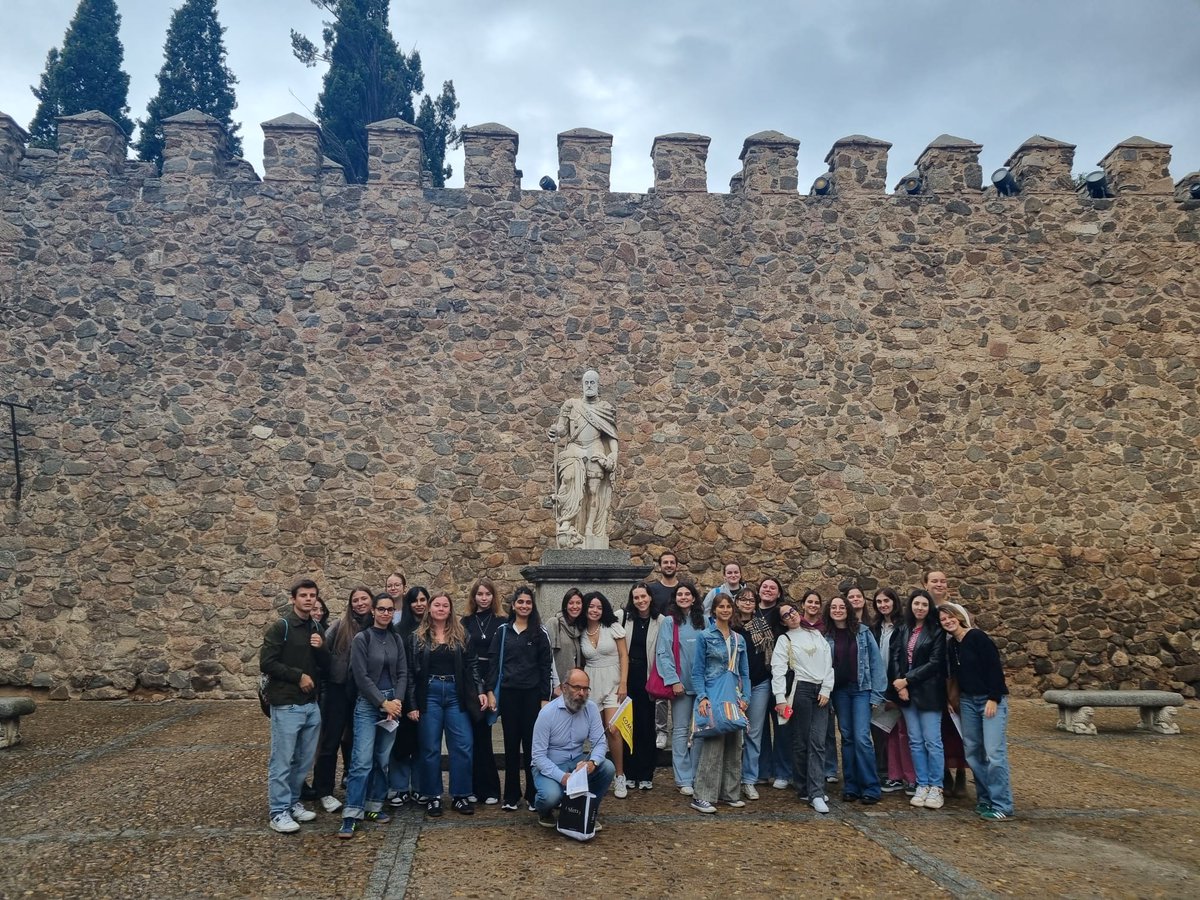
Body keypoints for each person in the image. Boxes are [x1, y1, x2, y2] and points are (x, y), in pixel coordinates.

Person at [407, 591, 487, 818]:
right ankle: (432, 796)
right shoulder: (417, 637)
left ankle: (461, 795)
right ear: (430, 609)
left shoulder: (462, 634)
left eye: (445, 605)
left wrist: (480, 691)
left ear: (450, 610)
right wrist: (412, 704)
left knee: (463, 744)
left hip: (456, 694)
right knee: (430, 747)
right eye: (437, 605)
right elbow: (412, 674)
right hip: (429, 693)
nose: (441, 609)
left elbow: (472, 666)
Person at [260, 579, 329, 834]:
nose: (309, 599)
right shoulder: (282, 627)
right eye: (303, 595)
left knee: (303, 760)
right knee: (282, 760)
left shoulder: (316, 627)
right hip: (287, 704)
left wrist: (322, 648)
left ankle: (291, 802)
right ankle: (277, 812)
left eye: (312, 595)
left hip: (311, 705)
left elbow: (326, 664)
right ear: (293, 599)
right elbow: (266, 663)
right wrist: (297, 675)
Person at [337, 593, 408, 838]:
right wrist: (383, 702)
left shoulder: (396, 639)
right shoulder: (362, 639)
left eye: (389, 610)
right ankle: (352, 813)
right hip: (369, 705)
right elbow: (361, 677)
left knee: (382, 758)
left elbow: (402, 672)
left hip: (392, 704)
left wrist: (396, 701)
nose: (386, 613)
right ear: (374, 612)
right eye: (381, 609)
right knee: (362, 760)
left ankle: (374, 805)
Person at [940, 602, 1014, 821]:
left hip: (988, 700)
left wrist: (993, 697)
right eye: (943, 620)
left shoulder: (978, 637)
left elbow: (994, 668)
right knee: (973, 751)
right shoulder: (952, 645)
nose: (947, 621)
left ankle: (1002, 804)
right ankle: (985, 797)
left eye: (950, 617)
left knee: (994, 753)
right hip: (968, 701)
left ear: (959, 617)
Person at [487, 586, 553, 811]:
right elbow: (494, 664)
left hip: (532, 696)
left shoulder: (540, 633)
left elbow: (546, 667)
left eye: (528, 602)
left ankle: (533, 794)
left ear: (532, 606)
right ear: (513, 605)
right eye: (520, 602)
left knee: (533, 746)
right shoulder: (503, 632)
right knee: (511, 744)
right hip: (509, 695)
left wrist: (545, 697)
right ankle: (511, 796)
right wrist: (490, 692)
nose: (524, 606)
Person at [689, 594, 752, 814]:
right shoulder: (705, 637)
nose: (725, 610)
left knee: (735, 743)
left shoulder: (739, 639)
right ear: (714, 610)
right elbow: (697, 671)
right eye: (721, 606)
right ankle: (703, 795)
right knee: (713, 743)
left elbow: (745, 672)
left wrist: (746, 698)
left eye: (728, 606)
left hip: (734, 694)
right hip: (713, 693)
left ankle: (730, 793)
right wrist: (702, 697)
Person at [312, 586, 373, 814]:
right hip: (339, 690)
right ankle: (324, 790)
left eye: (364, 599)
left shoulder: (378, 626)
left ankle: (356, 784)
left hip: (364, 692)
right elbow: (322, 653)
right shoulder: (340, 625)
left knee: (358, 741)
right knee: (331, 740)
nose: (359, 603)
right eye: (355, 600)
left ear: (371, 601)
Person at [530, 669, 615, 831]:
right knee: (550, 796)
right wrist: (562, 777)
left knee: (607, 767)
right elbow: (538, 757)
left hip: (577, 762)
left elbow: (600, 743)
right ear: (564, 688)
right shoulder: (547, 714)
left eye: (585, 689)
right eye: (577, 688)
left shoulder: (591, 709)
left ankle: (588, 810)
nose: (581, 693)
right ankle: (544, 810)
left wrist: (592, 762)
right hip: (550, 765)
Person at [771, 593, 834, 814]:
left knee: (818, 741)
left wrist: (826, 688)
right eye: (786, 615)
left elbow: (829, 662)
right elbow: (778, 670)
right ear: (782, 621)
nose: (792, 616)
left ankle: (816, 791)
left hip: (821, 690)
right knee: (801, 741)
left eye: (793, 611)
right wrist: (779, 698)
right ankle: (804, 786)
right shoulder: (784, 639)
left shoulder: (815, 634)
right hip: (801, 690)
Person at [824, 596, 887, 805]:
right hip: (839, 692)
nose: (838, 610)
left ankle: (870, 786)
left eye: (842, 607)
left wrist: (877, 693)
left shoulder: (862, 632)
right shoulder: (826, 635)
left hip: (861, 689)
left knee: (862, 737)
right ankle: (851, 786)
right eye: (834, 607)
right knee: (848, 737)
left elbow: (876, 662)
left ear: (848, 609)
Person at [889, 589, 947, 811]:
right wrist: (898, 683)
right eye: (916, 604)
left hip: (928, 692)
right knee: (914, 740)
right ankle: (922, 783)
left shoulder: (936, 630)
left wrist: (907, 680)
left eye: (924, 604)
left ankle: (936, 786)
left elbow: (935, 662)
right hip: (906, 693)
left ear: (929, 607)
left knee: (932, 741)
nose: (920, 608)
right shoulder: (903, 628)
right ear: (910, 606)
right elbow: (895, 657)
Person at [548, 369, 618, 549]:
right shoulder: (571, 405)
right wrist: (555, 430)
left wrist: (614, 454)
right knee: (569, 478)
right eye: (586, 383)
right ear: (582, 385)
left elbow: (611, 435)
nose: (589, 386)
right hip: (575, 447)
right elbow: (562, 429)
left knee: (594, 491)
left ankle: (590, 529)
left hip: (595, 447)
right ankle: (567, 522)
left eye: (592, 383)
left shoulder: (605, 408)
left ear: (598, 385)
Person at [577, 591, 630, 798]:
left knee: (613, 729)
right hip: (591, 682)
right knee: (595, 733)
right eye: (591, 606)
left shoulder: (614, 627)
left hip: (614, 681)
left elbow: (624, 655)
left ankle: (619, 775)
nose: (595, 610)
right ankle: (596, 773)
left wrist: (624, 682)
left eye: (599, 607)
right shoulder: (580, 630)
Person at [655, 581, 705, 796]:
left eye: (688, 594)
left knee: (702, 731)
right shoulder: (669, 622)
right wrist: (673, 680)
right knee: (681, 730)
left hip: (702, 685)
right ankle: (683, 777)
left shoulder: (704, 621)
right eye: (680, 594)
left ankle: (698, 774)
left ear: (694, 598)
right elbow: (663, 652)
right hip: (681, 685)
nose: (684, 597)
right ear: (675, 598)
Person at [923, 568, 968, 798]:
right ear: (925, 584)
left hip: (954, 673)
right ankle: (942, 772)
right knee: (937, 729)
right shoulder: (922, 608)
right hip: (933, 676)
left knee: (957, 726)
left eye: (942, 581)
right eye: (934, 581)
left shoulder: (956, 609)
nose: (939, 584)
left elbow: (968, 635)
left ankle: (961, 770)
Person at [461, 577, 505, 805]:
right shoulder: (466, 621)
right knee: (474, 736)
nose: (484, 598)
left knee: (485, 736)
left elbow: (499, 656)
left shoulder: (502, 621)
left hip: (493, 679)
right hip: (472, 681)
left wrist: (490, 688)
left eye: (488, 594)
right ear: (474, 597)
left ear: (493, 596)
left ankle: (491, 789)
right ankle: (473, 787)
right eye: (480, 594)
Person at [388, 586, 429, 807]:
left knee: (423, 741)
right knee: (402, 742)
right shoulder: (398, 630)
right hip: (403, 691)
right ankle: (400, 787)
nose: (419, 604)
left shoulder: (433, 628)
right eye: (414, 600)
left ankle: (420, 786)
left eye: (423, 599)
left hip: (426, 693)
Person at [621, 583, 662, 790]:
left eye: (643, 596)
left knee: (647, 727)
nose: (640, 601)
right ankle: (630, 772)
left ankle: (646, 773)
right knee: (629, 726)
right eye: (636, 597)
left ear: (650, 597)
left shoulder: (660, 621)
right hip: (629, 678)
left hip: (649, 678)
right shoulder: (624, 618)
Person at [870, 588, 910, 793]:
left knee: (901, 733)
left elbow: (902, 658)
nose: (883, 605)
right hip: (879, 685)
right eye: (879, 602)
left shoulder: (904, 626)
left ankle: (903, 774)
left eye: (886, 600)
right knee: (879, 731)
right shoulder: (876, 627)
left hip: (897, 684)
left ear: (894, 601)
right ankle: (884, 772)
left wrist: (898, 686)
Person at [734, 587, 772, 800]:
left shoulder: (762, 626)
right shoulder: (730, 625)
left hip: (759, 684)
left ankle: (749, 779)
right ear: (736, 602)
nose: (748, 603)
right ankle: (732, 777)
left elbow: (769, 654)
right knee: (733, 732)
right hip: (734, 685)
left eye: (751, 600)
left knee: (754, 734)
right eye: (743, 599)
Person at [648, 552, 681, 750]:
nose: (668, 565)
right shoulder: (653, 589)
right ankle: (661, 730)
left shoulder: (682, 589)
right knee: (660, 689)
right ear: (659, 566)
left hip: (680, 641)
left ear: (677, 565)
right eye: (665, 562)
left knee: (681, 688)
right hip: (659, 642)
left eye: (672, 562)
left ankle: (680, 730)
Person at [545, 588, 583, 696]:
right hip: (558, 687)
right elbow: (548, 656)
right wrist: (555, 685)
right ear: (565, 605)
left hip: (573, 686)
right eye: (571, 603)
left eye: (578, 603)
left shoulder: (578, 628)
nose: (575, 606)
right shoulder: (554, 623)